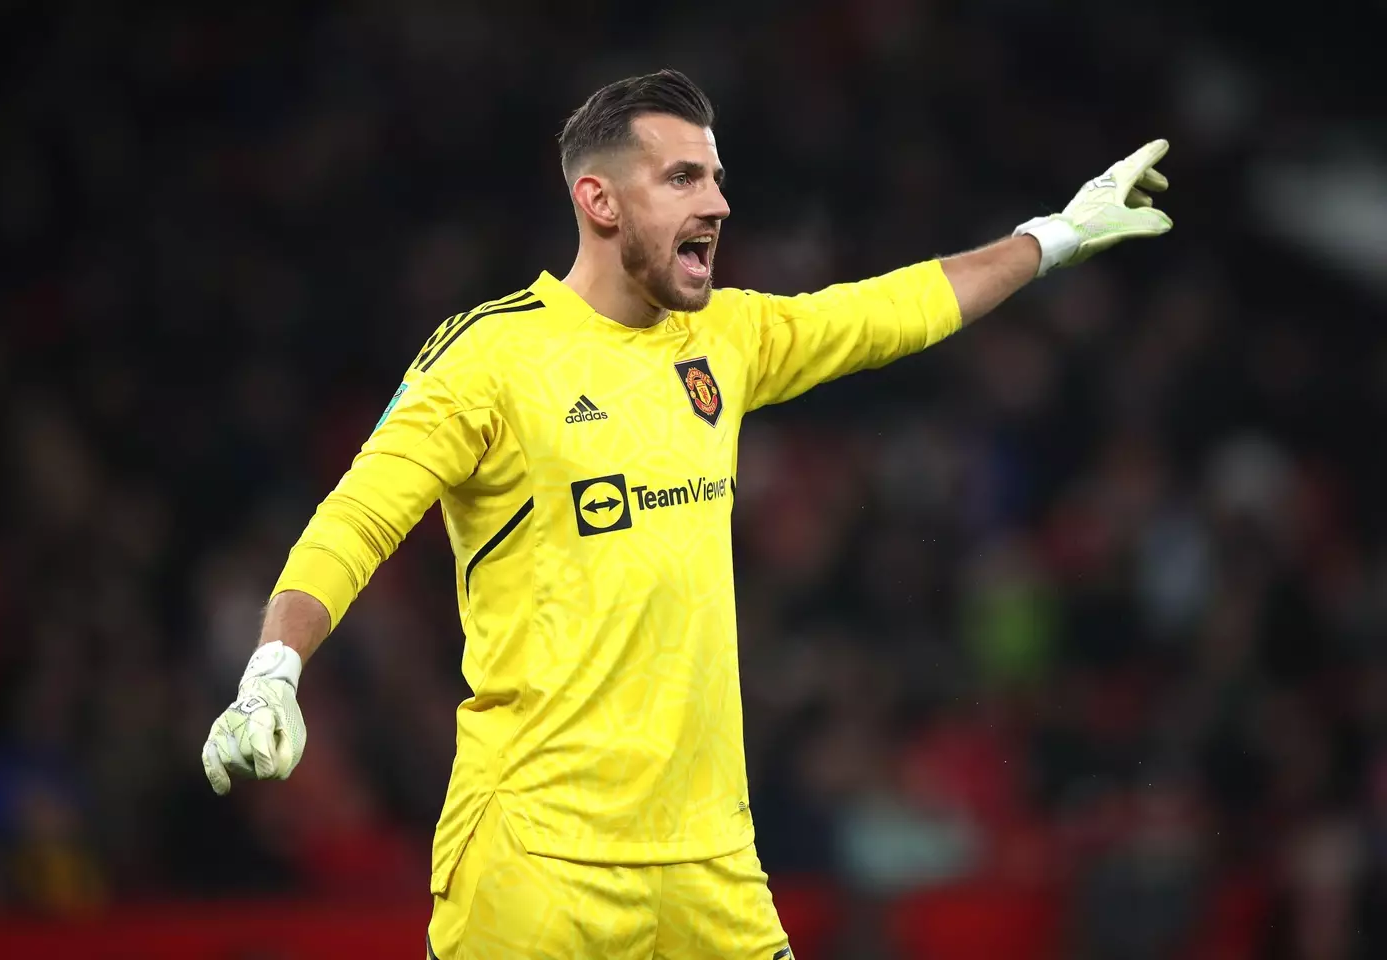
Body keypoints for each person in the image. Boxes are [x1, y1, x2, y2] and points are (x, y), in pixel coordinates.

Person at [201, 69, 1172, 958]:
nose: (717, 202)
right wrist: (275, 668)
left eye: (714, 177)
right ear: (600, 201)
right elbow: (355, 519)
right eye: (682, 178)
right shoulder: (487, 362)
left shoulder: (727, 337)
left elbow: (889, 311)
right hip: (539, 861)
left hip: (708, 866)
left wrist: (1053, 237)